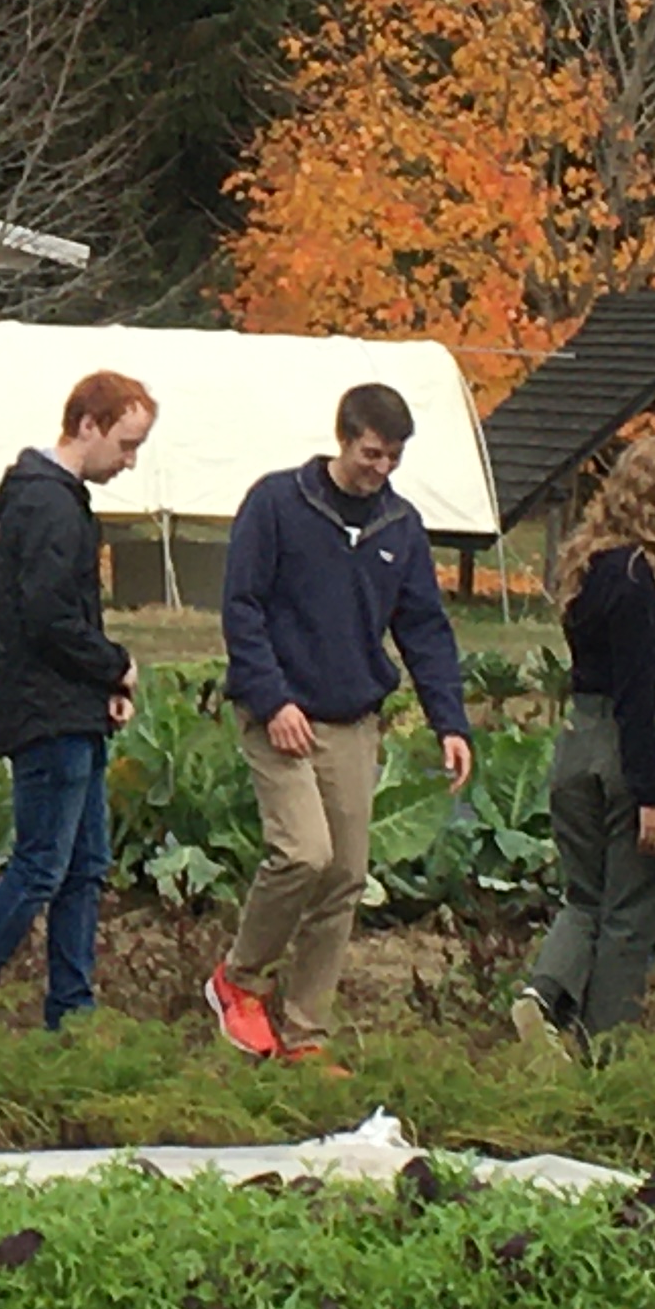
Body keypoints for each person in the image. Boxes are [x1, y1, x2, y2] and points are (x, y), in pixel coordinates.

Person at [203, 385, 475, 1071]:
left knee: (345, 876)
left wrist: (451, 720)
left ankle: (304, 1031)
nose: (380, 468)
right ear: (344, 439)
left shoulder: (399, 527)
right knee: (302, 853)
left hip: (353, 717)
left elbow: (424, 629)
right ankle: (240, 978)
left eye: (393, 457)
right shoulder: (277, 504)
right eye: (371, 453)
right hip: (280, 713)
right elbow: (242, 609)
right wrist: (272, 701)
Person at [0, 371, 154, 1029]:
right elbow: (51, 618)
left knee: (84, 866)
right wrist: (116, 666)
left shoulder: (41, 497)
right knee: (41, 866)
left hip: (66, 705)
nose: (130, 460)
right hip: (47, 711)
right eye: (125, 443)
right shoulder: (53, 506)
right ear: (87, 425)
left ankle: (73, 1009)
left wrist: (100, 688)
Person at [516, 434, 655, 1051]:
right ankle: (606, 1048)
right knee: (635, 908)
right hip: (635, 746)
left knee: (585, 894)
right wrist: (652, 794)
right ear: (649, 503)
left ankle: (543, 994)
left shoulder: (590, 566)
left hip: (578, 741)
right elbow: (637, 694)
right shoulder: (636, 580)